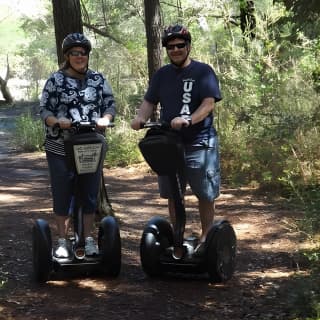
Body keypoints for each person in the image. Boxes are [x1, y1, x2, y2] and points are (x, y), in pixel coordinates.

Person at [131, 24, 222, 258]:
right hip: (169, 144)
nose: (176, 50)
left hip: (199, 142)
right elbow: (149, 102)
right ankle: (178, 237)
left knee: (204, 193)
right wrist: (140, 118)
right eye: (171, 47)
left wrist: (189, 120)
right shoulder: (162, 75)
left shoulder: (203, 71)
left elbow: (209, 103)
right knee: (173, 193)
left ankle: (205, 238)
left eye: (180, 45)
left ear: (188, 46)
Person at [39, 33, 116, 258]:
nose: (79, 56)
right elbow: (44, 110)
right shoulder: (55, 80)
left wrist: (106, 119)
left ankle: (88, 238)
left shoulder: (98, 79)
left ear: (87, 55)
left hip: (90, 144)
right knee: (62, 191)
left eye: (83, 53)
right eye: (74, 53)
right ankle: (62, 240)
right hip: (60, 146)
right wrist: (57, 121)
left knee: (89, 192)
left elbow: (110, 105)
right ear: (67, 56)